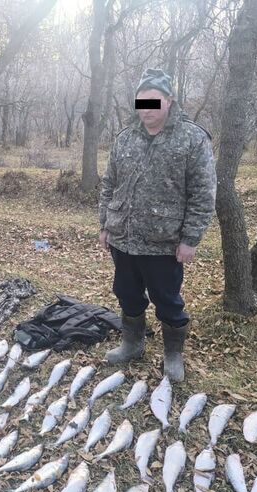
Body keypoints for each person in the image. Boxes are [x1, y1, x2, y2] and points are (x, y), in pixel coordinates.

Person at [98, 68, 216, 382]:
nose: (147, 109)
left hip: (164, 242)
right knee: (126, 293)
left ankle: (172, 355)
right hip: (123, 237)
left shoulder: (192, 138)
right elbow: (109, 184)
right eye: (142, 102)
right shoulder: (125, 137)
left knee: (167, 301)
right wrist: (105, 224)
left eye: (153, 101)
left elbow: (203, 193)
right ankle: (132, 344)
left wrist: (190, 238)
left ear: (169, 100)